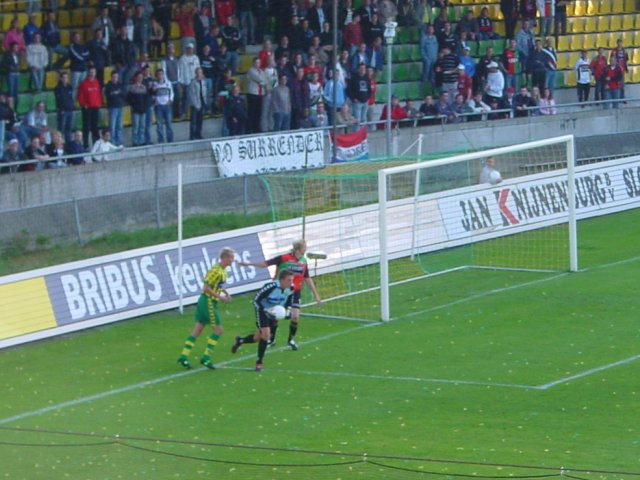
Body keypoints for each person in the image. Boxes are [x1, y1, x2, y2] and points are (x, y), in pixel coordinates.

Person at [239, 239, 321, 350]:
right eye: (304, 247)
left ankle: (290, 340)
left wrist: (316, 294)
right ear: (298, 248)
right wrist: (248, 264)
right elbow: (266, 263)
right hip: (281, 292)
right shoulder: (284, 258)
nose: (306, 249)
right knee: (276, 316)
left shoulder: (304, 261)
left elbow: (307, 277)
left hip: (295, 292)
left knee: (295, 316)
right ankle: (271, 339)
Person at [177, 247, 236, 370]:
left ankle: (183, 356)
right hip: (208, 301)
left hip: (207, 301)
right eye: (230, 257)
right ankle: (206, 357)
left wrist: (225, 292)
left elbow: (217, 285)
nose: (232, 259)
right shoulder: (215, 270)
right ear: (224, 258)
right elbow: (205, 287)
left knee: (198, 329)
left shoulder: (223, 270)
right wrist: (220, 297)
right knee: (218, 330)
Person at [231, 270, 295, 372]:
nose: (291, 282)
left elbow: (289, 302)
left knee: (257, 338)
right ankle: (259, 362)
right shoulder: (271, 287)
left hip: (274, 312)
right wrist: (264, 310)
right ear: (282, 280)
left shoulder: (290, 288)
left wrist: (287, 311)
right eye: (289, 280)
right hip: (262, 310)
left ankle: (240, 341)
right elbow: (256, 300)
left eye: (292, 280)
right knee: (266, 335)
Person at [77, 67, 102, 149]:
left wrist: (99, 103)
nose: (92, 74)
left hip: (95, 107)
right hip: (87, 108)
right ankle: (86, 145)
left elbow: (99, 94)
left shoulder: (97, 82)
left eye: (93, 72)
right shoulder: (84, 83)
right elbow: (80, 96)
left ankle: (96, 145)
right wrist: (83, 104)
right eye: (91, 72)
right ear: (88, 73)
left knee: (95, 127)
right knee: (86, 127)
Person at [104, 70, 126, 147]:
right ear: (111, 77)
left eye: (116, 77)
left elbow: (123, 95)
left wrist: (116, 94)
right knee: (112, 126)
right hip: (112, 107)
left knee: (119, 126)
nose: (115, 78)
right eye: (114, 77)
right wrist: (116, 94)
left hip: (120, 106)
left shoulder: (120, 85)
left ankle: (119, 142)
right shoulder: (108, 86)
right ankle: (112, 142)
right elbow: (109, 96)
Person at [153, 69, 174, 144]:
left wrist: (170, 100)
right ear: (156, 75)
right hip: (158, 106)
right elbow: (152, 94)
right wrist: (155, 100)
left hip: (167, 105)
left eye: (161, 74)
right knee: (159, 124)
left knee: (169, 123)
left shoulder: (168, 83)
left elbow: (171, 93)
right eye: (158, 74)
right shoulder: (155, 84)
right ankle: (161, 140)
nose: (160, 75)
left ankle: (170, 140)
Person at [54, 71, 74, 143]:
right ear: (61, 78)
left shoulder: (69, 87)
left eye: (66, 77)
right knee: (61, 129)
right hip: (62, 111)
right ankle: (59, 143)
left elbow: (71, 98)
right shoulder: (58, 88)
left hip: (70, 110)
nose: (65, 79)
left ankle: (68, 144)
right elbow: (59, 100)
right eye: (64, 77)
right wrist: (61, 109)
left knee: (69, 129)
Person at [188, 67, 207, 140]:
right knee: (193, 121)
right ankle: (192, 136)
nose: (200, 74)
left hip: (202, 103)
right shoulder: (193, 82)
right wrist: (196, 105)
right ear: (196, 73)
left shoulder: (203, 82)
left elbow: (204, 92)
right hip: (195, 105)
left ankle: (198, 134)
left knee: (200, 121)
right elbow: (192, 95)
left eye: (201, 72)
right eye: (198, 72)